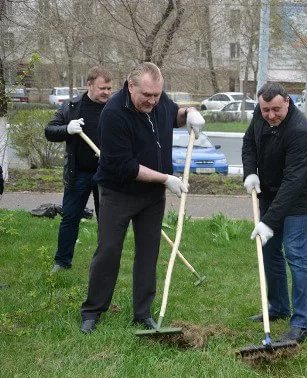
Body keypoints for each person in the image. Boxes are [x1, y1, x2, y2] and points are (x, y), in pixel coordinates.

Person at [79, 62, 204, 333]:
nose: (152, 101)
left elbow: (174, 115)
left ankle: (142, 313)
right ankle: (92, 311)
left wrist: (190, 113)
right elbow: (124, 166)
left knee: (148, 253)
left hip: (152, 197)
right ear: (130, 85)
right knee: (109, 250)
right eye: (146, 95)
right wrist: (166, 179)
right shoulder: (113, 114)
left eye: (157, 95)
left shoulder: (158, 101)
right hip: (118, 193)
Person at [241, 82, 307, 343]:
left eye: (276, 109)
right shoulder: (259, 114)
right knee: (269, 250)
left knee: (295, 253)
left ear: (287, 102)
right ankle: (278, 307)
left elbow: (294, 182)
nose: (271, 115)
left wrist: (270, 221)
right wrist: (250, 172)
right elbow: (248, 143)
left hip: (298, 197)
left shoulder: (300, 132)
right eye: (266, 110)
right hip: (270, 190)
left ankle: (302, 322)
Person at [45, 66, 113, 273]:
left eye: (110, 88)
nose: (107, 93)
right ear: (89, 85)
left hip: (106, 174)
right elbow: (49, 131)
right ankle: (62, 262)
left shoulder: (115, 108)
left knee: (107, 221)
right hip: (79, 174)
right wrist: (67, 129)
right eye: (103, 88)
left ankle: (103, 265)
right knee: (70, 217)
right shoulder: (72, 107)